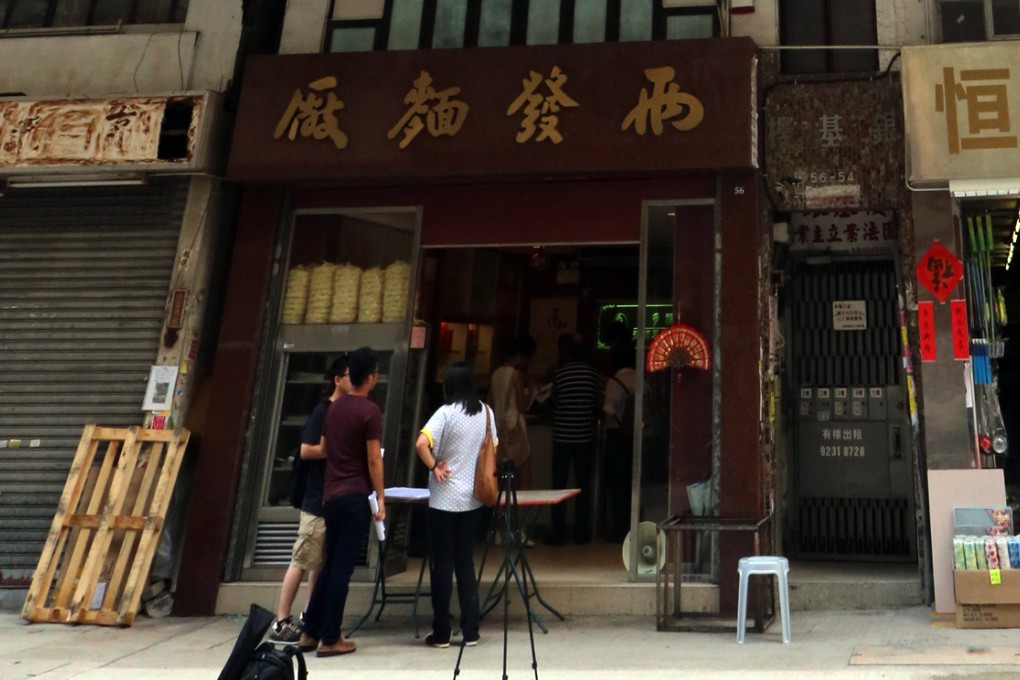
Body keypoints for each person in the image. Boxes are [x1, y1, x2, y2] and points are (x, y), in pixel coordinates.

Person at [299, 347, 385, 658]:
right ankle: (330, 637)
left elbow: (324, 448)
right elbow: (374, 459)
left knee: (328, 565)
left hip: (330, 495)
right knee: (341, 569)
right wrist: (381, 497)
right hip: (354, 495)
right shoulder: (369, 411)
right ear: (371, 377)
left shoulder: (332, 409)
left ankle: (310, 631)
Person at [270, 354, 351, 643]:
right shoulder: (323, 411)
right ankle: (282, 620)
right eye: (349, 375)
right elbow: (306, 450)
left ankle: (309, 616)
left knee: (319, 563)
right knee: (302, 559)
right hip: (316, 500)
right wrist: (334, 449)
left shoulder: (342, 411)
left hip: (332, 499)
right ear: (337, 380)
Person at [415, 361, 496, 649]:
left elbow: (421, 443)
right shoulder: (486, 413)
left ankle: (441, 632)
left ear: (449, 387)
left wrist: (434, 465)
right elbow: (493, 448)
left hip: (443, 499)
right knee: (465, 562)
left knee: (442, 565)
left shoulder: (445, 413)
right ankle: (470, 630)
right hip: (472, 499)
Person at [546, 335, 601, 546]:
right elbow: (596, 401)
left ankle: (557, 532)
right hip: (584, 436)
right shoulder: (592, 375)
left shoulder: (559, 374)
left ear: (567, 353)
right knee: (583, 485)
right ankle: (581, 532)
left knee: (559, 485)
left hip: (562, 435)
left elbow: (554, 401)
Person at [488, 334, 537, 491]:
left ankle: (500, 506)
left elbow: (489, 403)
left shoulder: (496, 374)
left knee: (502, 478)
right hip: (515, 429)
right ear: (519, 357)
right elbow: (522, 406)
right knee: (525, 479)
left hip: (499, 430)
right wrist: (532, 390)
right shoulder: (516, 375)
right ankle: (517, 508)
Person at [602, 341, 636, 543]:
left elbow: (608, 412)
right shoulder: (642, 380)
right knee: (634, 484)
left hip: (617, 436)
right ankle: (636, 527)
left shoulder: (614, 382)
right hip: (638, 437)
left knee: (617, 484)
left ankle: (619, 529)